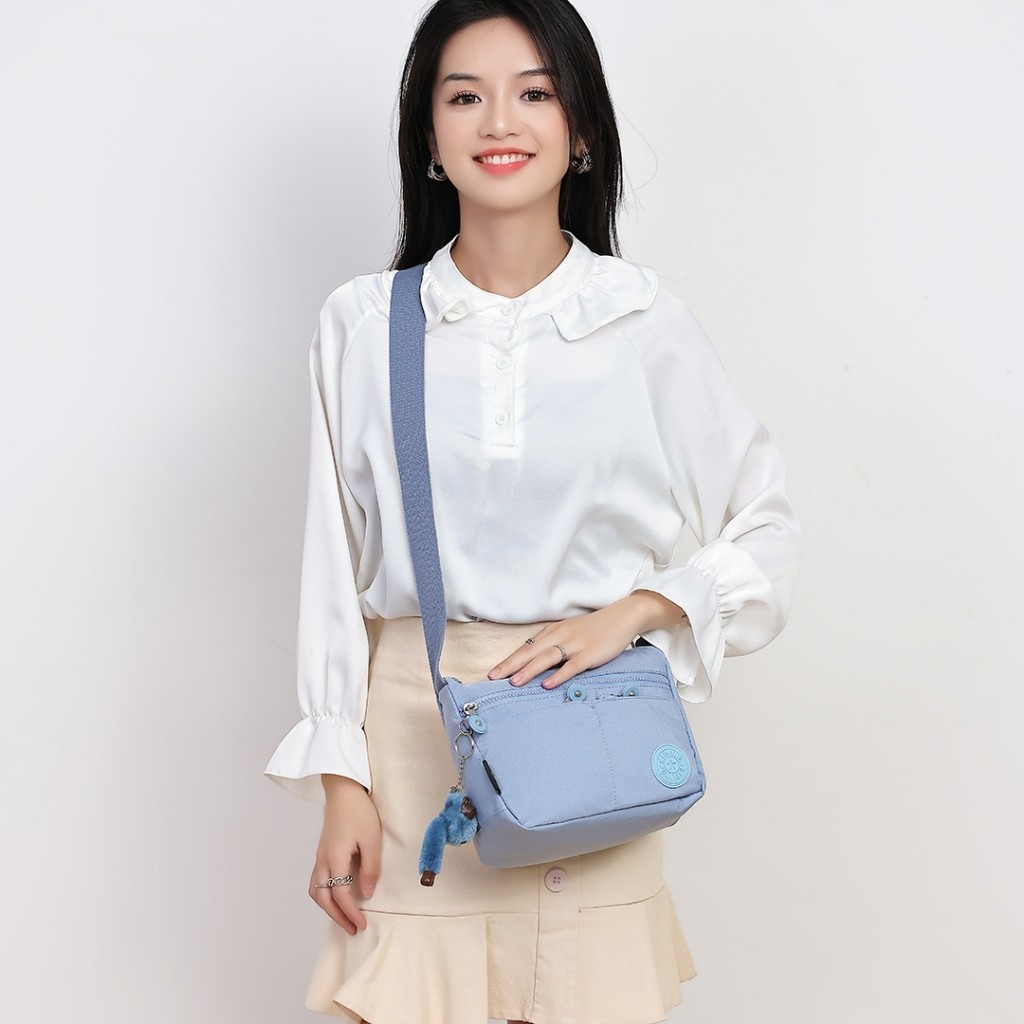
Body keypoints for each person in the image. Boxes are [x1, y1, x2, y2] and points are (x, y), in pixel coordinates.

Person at [263, 1, 802, 1022]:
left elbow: (767, 527)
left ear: (580, 128)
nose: (499, 122)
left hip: (591, 741)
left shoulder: (642, 321)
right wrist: (341, 777)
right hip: (414, 755)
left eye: (535, 93)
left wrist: (636, 611)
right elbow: (330, 564)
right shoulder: (364, 325)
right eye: (464, 96)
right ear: (429, 138)